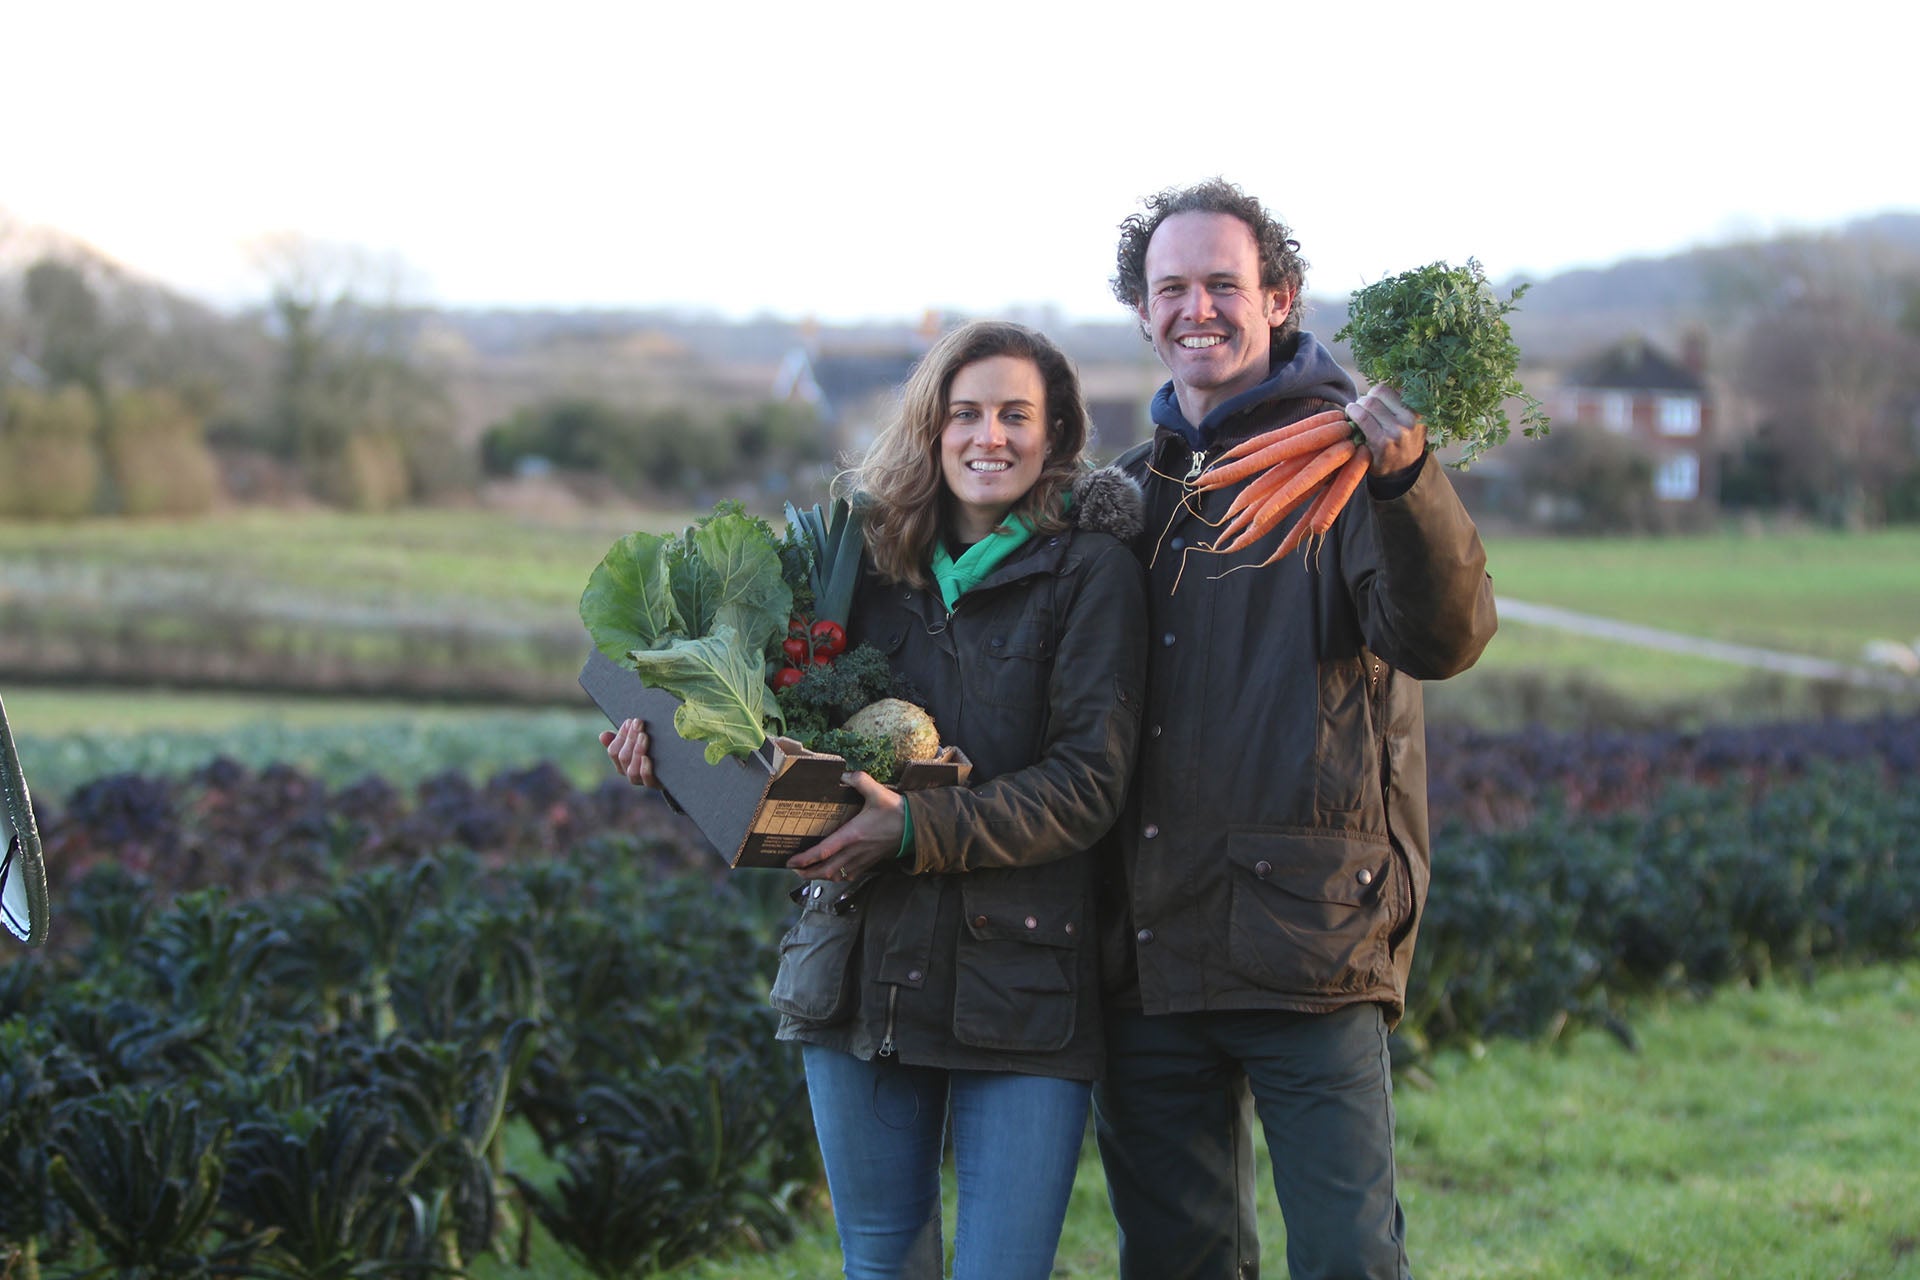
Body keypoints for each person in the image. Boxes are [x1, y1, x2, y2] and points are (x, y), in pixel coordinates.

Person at [603, 319, 1148, 1279]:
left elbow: (1087, 785)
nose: (989, 437)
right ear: (931, 427)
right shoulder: (863, 564)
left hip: (1021, 985)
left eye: (1016, 415)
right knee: (882, 1265)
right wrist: (678, 772)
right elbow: (785, 754)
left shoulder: (1090, 572)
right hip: (860, 967)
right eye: (965, 413)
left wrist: (913, 830)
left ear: (1057, 432)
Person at [1090, 179, 1498, 1280]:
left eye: (1224, 284)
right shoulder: (1124, 496)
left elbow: (1445, 637)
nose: (1198, 309)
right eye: (1171, 288)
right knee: (1176, 1262)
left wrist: (1409, 483)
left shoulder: (1359, 469)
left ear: (1279, 297)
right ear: (1142, 309)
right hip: (1149, 955)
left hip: (1311, 941)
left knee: (1347, 1259)